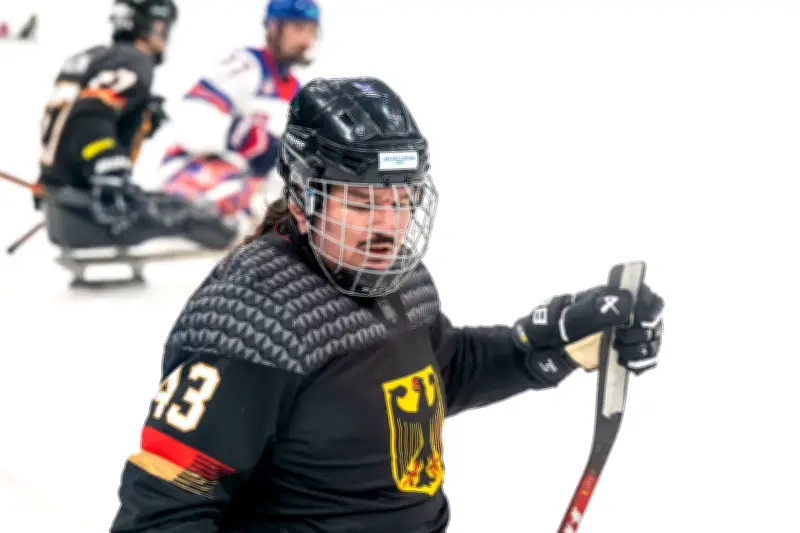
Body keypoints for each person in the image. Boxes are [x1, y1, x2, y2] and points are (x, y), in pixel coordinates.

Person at [109, 77, 665, 533]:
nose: (388, 225)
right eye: (362, 201)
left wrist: (551, 344)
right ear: (303, 198)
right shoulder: (253, 317)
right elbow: (165, 509)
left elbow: (438, 374)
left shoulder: (397, 278)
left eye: (401, 199)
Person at [36, 0, 237, 252]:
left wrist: (135, 120)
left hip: (60, 203)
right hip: (89, 210)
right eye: (162, 27)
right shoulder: (133, 59)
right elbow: (88, 114)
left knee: (172, 203)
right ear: (146, 25)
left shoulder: (90, 57)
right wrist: (109, 171)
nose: (164, 37)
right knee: (198, 219)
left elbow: (70, 122)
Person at [158, 0, 320, 235]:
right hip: (193, 168)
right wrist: (236, 136)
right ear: (274, 28)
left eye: (311, 30)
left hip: (248, 184)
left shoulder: (296, 93)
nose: (306, 39)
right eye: (298, 28)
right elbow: (191, 114)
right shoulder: (246, 65)